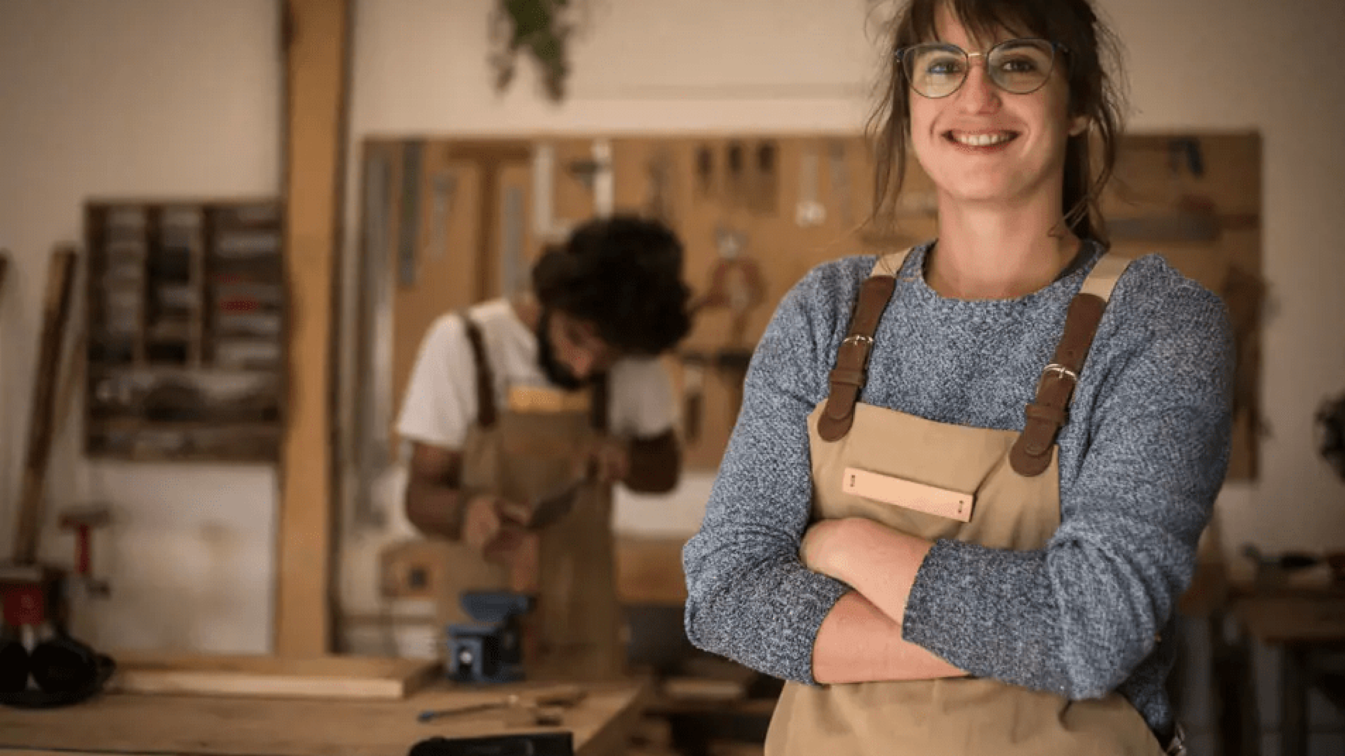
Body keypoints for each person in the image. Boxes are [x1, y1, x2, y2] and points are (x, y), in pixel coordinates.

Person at [682, 1, 1233, 754]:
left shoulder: (1160, 325)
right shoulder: (826, 310)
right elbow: (724, 593)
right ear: (910, 99)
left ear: (1076, 103)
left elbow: (1092, 631)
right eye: (942, 66)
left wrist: (846, 546)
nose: (975, 98)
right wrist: (1031, 639)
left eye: (1016, 64)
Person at [399, 214, 693, 680]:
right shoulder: (464, 343)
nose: (581, 368)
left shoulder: (637, 362)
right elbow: (418, 496)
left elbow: (665, 471)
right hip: (482, 629)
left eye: (605, 358)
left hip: (587, 633)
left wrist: (630, 460)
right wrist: (465, 511)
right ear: (549, 300)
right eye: (574, 338)